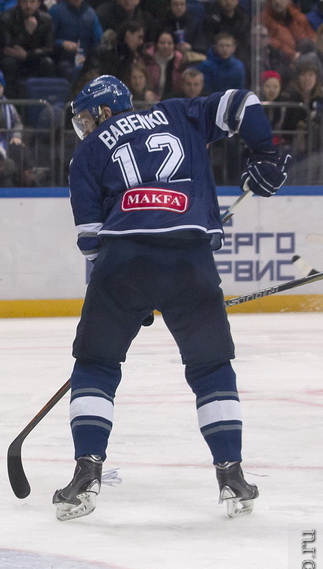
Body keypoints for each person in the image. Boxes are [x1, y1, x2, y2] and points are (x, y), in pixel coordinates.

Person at [53, 75, 292, 521]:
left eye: (88, 118)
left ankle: (86, 472)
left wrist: (128, 299)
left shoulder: (86, 152)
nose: (85, 127)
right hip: (191, 261)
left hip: (122, 264)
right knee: (211, 367)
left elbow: (91, 242)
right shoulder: (181, 113)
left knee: (96, 364)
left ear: (104, 111)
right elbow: (242, 101)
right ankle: (232, 476)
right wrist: (266, 153)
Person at [0, 0, 56, 97]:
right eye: (24, 2)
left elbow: (50, 48)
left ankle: (47, 102)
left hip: (34, 58)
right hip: (13, 59)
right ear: (19, 2)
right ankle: (12, 105)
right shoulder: (5, 18)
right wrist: (27, 33)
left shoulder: (46, 19)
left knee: (47, 63)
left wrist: (28, 55)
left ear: (38, 3)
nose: (28, 5)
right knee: (9, 63)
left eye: (32, 2)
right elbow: (7, 47)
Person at [49, 0, 103, 81]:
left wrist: (88, 58)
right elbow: (47, 40)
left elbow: (98, 41)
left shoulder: (91, 13)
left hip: (86, 59)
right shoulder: (56, 11)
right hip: (61, 59)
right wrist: (62, 43)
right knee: (67, 69)